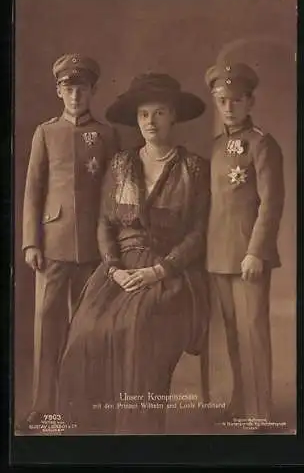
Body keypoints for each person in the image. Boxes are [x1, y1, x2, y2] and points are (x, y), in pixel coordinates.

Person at [57, 72, 210, 435]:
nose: (151, 122)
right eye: (144, 115)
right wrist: (113, 269)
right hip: (120, 269)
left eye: (159, 113)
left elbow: (199, 232)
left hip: (172, 274)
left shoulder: (194, 169)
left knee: (138, 328)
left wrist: (160, 271)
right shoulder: (121, 164)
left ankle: (136, 432)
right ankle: (87, 430)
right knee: (85, 330)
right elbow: (104, 225)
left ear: (173, 117)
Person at [18, 54, 120, 432]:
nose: (75, 95)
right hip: (53, 243)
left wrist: (113, 244)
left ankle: (82, 404)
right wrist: (31, 241)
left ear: (93, 91)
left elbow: (113, 191)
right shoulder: (45, 133)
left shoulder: (108, 135)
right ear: (59, 91)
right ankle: (44, 407)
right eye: (68, 88)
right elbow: (33, 191)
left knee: (87, 326)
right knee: (48, 324)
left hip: (94, 247)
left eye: (82, 88)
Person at [204, 62, 285, 426]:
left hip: (248, 254)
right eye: (222, 100)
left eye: (236, 100)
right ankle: (241, 402)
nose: (229, 107)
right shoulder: (216, 146)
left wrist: (256, 251)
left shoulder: (262, 143)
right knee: (234, 333)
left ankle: (259, 412)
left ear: (250, 101)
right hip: (218, 253)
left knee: (253, 332)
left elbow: (271, 203)